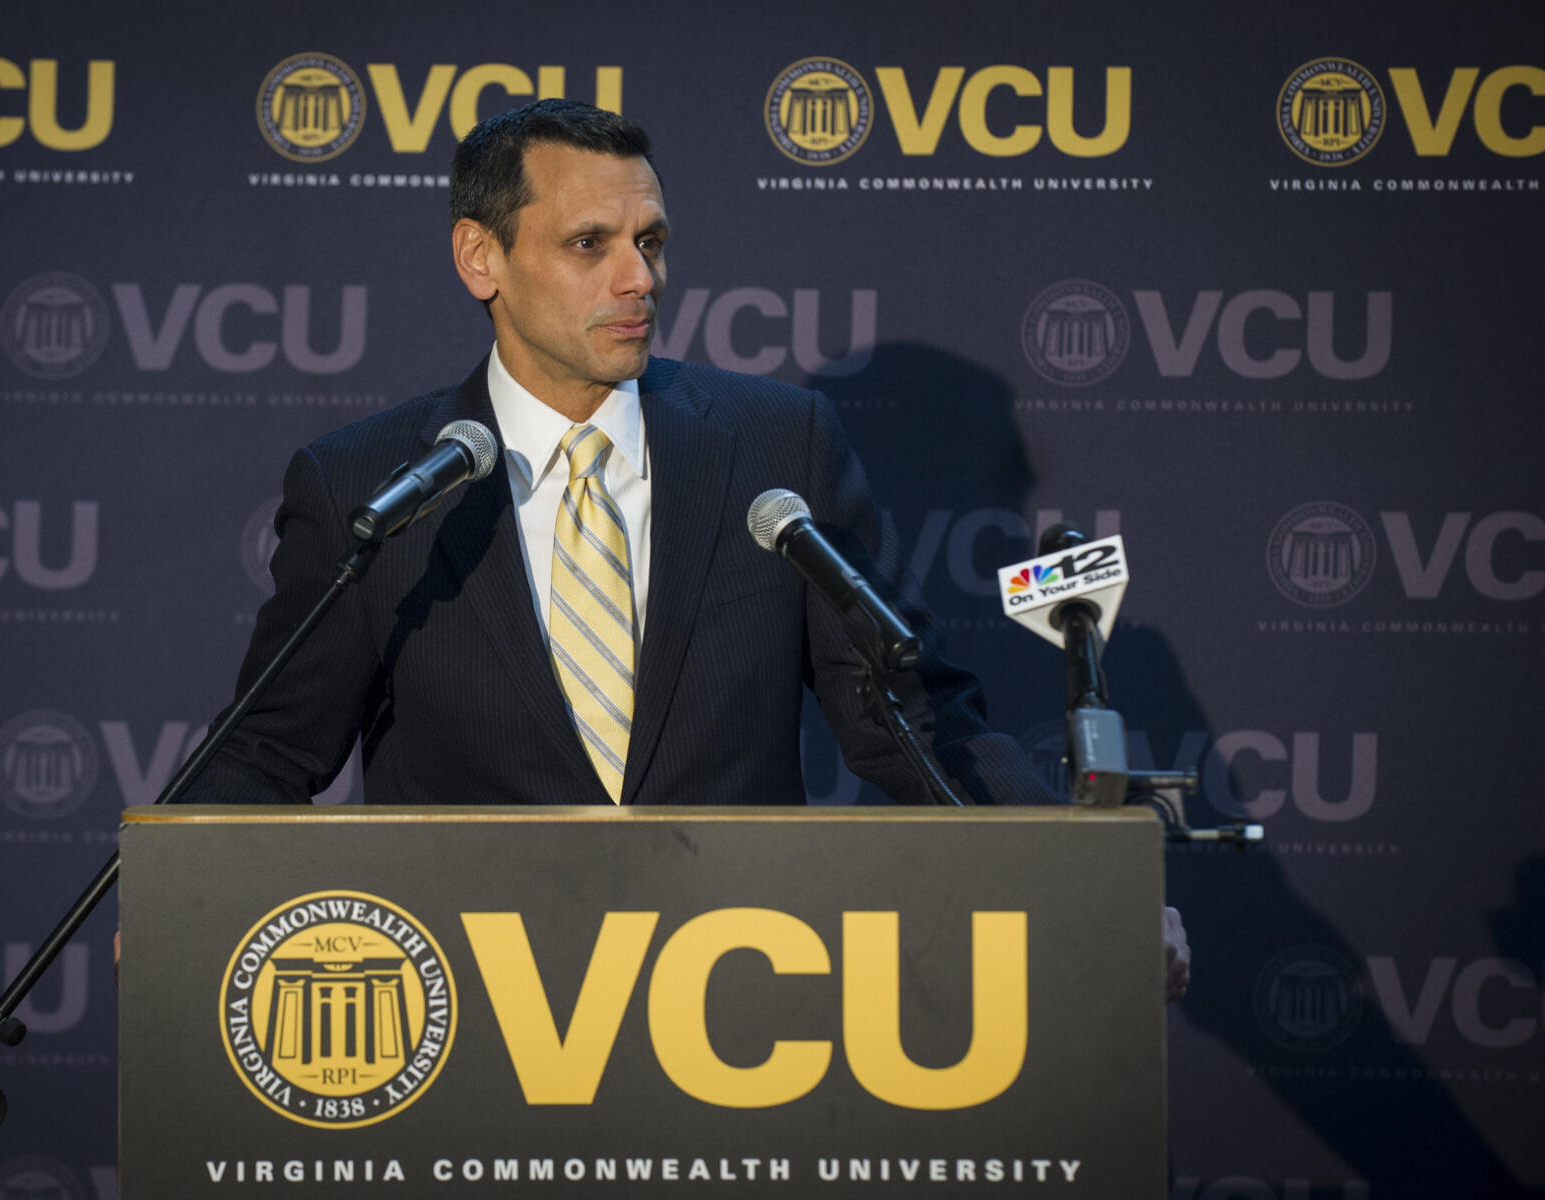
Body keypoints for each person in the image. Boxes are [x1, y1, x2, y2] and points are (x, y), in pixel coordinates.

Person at [180, 98, 1189, 999]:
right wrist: (181, 909)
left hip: (736, 1003)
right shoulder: (371, 484)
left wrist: (1080, 888)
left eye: (651, 242)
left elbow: (911, 718)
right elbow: (268, 749)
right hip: (472, 1007)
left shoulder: (775, 448)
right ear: (480, 257)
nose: (640, 279)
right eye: (590, 244)